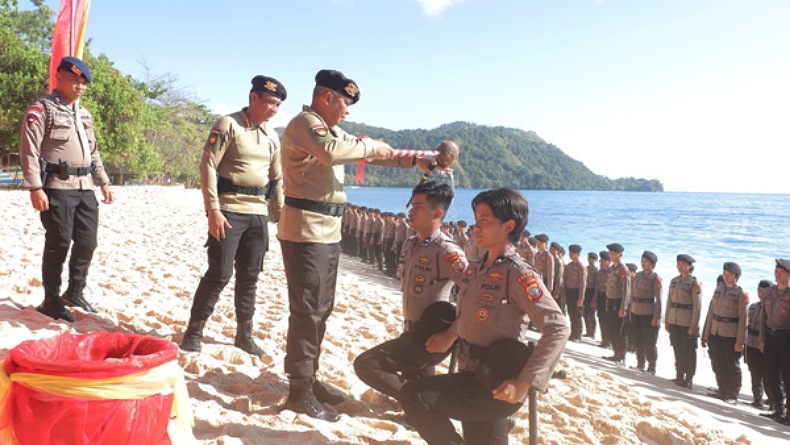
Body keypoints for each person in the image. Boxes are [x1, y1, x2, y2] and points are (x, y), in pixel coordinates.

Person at [278, 69, 439, 421]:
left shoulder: (332, 129)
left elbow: (372, 153)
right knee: (307, 312)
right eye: (344, 102)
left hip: (326, 231)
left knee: (321, 310)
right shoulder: (307, 123)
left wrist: (414, 160)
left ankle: (309, 378)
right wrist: (370, 145)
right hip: (306, 231)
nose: (347, 111)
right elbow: (333, 152)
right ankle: (299, 391)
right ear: (326, 97)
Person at [400, 188, 569, 445]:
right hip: (470, 372)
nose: (475, 228)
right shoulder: (478, 268)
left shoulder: (518, 274)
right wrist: (450, 334)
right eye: (476, 219)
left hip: (496, 378)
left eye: (484, 220)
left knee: (414, 395)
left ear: (508, 226)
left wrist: (524, 383)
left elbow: (558, 327)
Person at [179, 75, 286, 357]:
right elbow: (208, 164)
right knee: (220, 274)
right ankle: (194, 331)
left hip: (257, 215)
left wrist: (281, 216)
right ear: (254, 98)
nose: (274, 109)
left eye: (278, 105)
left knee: (250, 277)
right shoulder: (229, 124)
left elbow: (276, 179)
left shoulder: (272, 136)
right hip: (229, 211)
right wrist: (212, 209)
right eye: (270, 102)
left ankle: (244, 335)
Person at [19, 56, 113, 322]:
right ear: (58, 77)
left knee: (87, 242)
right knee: (58, 243)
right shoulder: (42, 110)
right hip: (57, 187)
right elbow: (29, 150)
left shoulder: (84, 113)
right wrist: (35, 187)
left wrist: (103, 181)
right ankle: (51, 299)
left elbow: (93, 152)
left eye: (83, 82)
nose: (79, 86)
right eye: (74, 80)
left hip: (85, 188)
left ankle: (74, 292)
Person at [354, 181, 466, 402]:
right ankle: (420, 403)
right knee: (417, 384)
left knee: (366, 365)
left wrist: (452, 334)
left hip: (431, 336)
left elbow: (475, 295)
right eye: (411, 205)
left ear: (438, 213)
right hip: (411, 331)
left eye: (418, 206)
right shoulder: (411, 243)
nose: (411, 211)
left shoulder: (446, 251)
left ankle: (420, 402)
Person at [702, 262, 748, 404]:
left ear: (737, 276)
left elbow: (743, 319)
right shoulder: (718, 290)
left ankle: (733, 393)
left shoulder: (740, 294)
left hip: (730, 334)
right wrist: (706, 332)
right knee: (717, 362)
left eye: (729, 274)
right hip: (716, 332)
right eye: (724, 274)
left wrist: (740, 341)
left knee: (731, 365)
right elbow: (711, 313)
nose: (726, 276)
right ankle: (722, 389)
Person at [758, 259, 790, 422]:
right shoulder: (769, 292)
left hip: (786, 339)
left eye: (781, 272)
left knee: (787, 376)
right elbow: (763, 317)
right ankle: (777, 408)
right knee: (770, 374)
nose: (777, 275)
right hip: (770, 337)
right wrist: (762, 339)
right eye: (775, 271)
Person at [665, 254, 702, 389]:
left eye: (682, 264)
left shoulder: (694, 283)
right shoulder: (674, 281)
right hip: (674, 319)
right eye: (678, 264)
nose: (679, 266)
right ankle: (679, 375)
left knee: (689, 351)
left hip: (687, 322)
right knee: (677, 348)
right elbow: (669, 301)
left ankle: (689, 378)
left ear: (690, 266)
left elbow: (697, 307)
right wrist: (667, 319)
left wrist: (694, 326)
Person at [626, 251, 662, 374]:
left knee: (649, 341)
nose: (643, 263)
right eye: (642, 261)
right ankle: (640, 363)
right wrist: (630, 310)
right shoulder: (638, 276)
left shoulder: (655, 279)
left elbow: (659, 300)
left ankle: (652, 367)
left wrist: (656, 317)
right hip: (636, 310)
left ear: (652, 264)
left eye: (645, 261)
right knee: (638, 338)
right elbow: (632, 294)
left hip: (648, 313)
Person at [746, 279, 772, 409]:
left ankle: (773, 402)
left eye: (763, 291)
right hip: (750, 343)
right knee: (754, 373)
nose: (760, 293)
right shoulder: (753, 307)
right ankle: (757, 399)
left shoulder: (771, 309)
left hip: (763, 346)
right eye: (759, 290)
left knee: (767, 375)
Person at [603, 243, 630, 365]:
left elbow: (626, 290)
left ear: (620, 255)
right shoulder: (613, 268)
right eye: (610, 253)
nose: (611, 255)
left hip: (619, 303)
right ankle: (615, 353)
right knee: (612, 329)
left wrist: (623, 307)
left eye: (613, 253)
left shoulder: (623, 270)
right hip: (610, 301)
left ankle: (621, 356)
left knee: (620, 331)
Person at [561, 244, 587, 341]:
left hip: (576, 293)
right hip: (569, 291)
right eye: (570, 253)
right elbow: (565, 280)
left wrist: (581, 298)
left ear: (578, 254)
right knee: (571, 313)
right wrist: (564, 294)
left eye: (573, 253)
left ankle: (578, 334)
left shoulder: (581, 267)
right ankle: (573, 333)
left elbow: (583, 284)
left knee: (577, 314)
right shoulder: (569, 266)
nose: (571, 254)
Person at [595, 251, 612, 348]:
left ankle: (609, 341)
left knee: (608, 320)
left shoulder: (612, 272)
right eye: (601, 260)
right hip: (600, 296)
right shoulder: (600, 272)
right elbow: (597, 286)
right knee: (601, 318)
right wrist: (595, 299)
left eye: (603, 260)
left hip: (608, 298)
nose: (601, 262)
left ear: (608, 261)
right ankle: (604, 340)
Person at [583, 252, 599, 338]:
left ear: (595, 260)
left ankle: (592, 332)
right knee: (585, 312)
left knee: (592, 313)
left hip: (592, 292)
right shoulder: (586, 269)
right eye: (589, 258)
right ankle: (588, 330)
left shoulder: (596, 271)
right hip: (585, 291)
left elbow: (596, 285)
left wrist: (595, 298)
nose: (590, 260)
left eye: (592, 259)